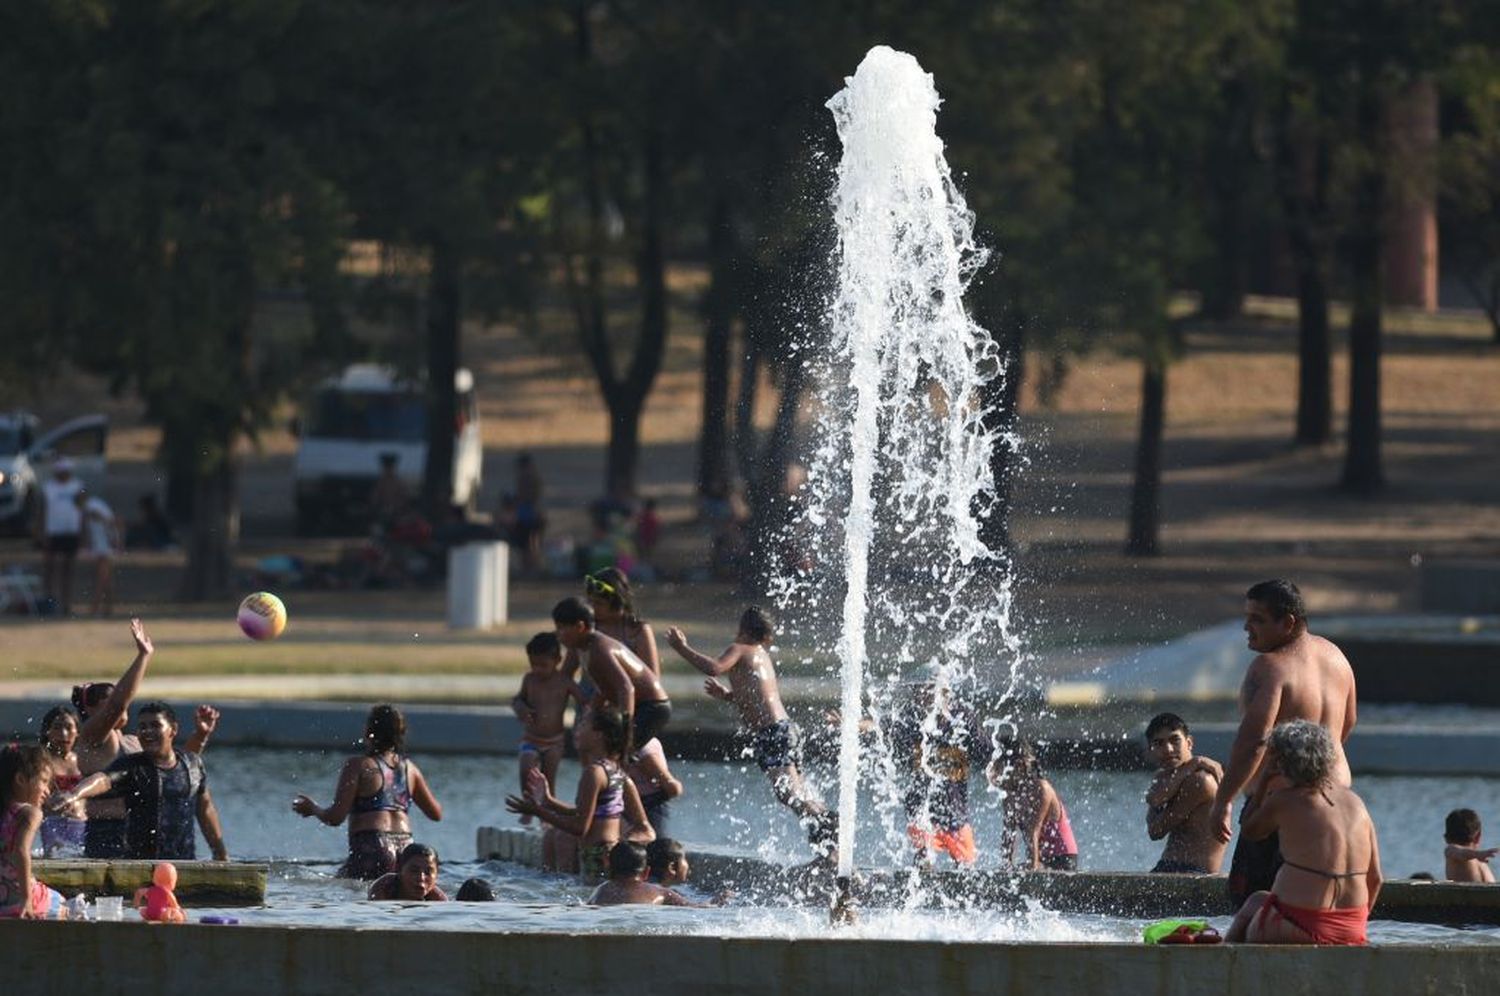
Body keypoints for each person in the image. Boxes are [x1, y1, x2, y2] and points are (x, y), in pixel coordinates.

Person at [1211, 579, 1357, 906]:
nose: (1247, 627)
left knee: (1252, 907)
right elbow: (1347, 724)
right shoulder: (1337, 657)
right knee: (1315, 909)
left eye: (1257, 619)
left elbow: (1253, 743)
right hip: (1338, 801)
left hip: (1280, 808)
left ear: (1288, 622)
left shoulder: (1270, 668)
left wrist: (1223, 801)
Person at [665, 608, 837, 857]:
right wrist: (726, 696)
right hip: (785, 730)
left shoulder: (740, 648)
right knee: (796, 794)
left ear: (742, 630)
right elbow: (758, 697)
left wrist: (682, 648)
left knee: (789, 794)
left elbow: (714, 667)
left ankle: (832, 824)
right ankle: (828, 849)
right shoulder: (761, 655)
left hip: (773, 733)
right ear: (766, 637)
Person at [1225, 720, 1381, 946]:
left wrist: (1263, 782)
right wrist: (1352, 922)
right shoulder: (1356, 803)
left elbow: (1250, 830)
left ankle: (1225, 959)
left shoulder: (1284, 800)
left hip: (1298, 926)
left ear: (1282, 762)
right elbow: (1375, 879)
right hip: (1353, 927)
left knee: (1250, 910)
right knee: (1258, 899)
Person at [72, 619, 218, 858]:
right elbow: (119, 703)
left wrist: (200, 736)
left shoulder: (134, 741)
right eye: (108, 703)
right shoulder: (91, 738)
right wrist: (143, 657)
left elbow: (181, 767)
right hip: (106, 836)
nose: (121, 706)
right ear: (89, 711)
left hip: (139, 833)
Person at [53, 702, 228, 861]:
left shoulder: (192, 763)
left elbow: (205, 808)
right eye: (142, 726)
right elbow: (103, 779)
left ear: (172, 730)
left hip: (184, 863)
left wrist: (220, 853)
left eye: (155, 725)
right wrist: (74, 794)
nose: (147, 731)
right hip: (141, 865)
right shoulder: (132, 766)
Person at [292, 704, 443, 880]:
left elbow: (335, 818)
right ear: (401, 734)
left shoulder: (359, 765)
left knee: (351, 891)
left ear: (368, 732)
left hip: (373, 846)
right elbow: (436, 814)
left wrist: (314, 809)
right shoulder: (411, 769)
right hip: (406, 850)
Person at [505, 706, 654, 882]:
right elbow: (588, 813)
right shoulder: (616, 771)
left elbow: (580, 827)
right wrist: (548, 801)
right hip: (608, 854)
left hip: (596, 856)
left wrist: (538, 811)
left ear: (599, 734)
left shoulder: (594, 772)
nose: (577, 730)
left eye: (583, 725)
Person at [554, 597, 672, 757]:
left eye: (561, 628)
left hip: (652, 707)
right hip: (639, 706)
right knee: (607, 753)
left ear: (580, 627)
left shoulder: (599, 648)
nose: (558, 635)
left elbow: (626, 688)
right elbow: (602, 689)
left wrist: (624, 732)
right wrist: (589, 716)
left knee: (615, 755)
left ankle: (662, 781)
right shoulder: (582, 648)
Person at [890, 681, 985, 868]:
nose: (921, 695)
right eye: (917, 691)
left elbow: (986, 749)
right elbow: (884, 726)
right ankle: (919, 890)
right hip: (921, 808)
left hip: (955, 808)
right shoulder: (912, 718)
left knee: (966, 867)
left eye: (926, 690)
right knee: (922, 862)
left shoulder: (961, 717)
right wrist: (852, 723)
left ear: (942, 692)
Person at [511, 632, 582, 824]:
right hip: (531, 738)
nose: (538, 669)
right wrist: (521, 708)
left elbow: (584, 700)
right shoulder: (530, 679)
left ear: (557, 660)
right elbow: (518, 699)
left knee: (548, 780)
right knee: (526, 768)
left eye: (543, 665)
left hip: (554, 742)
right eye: (534, 664)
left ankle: (547, 816)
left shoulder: (564, 682)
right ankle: (528, 804)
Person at [1143, 713, 1226, 874]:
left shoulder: (1201, 781)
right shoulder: (1166, 778)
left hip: (1195, 873)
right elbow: (1154, 800)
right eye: (1159, 743)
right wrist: (1191, 765)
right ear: (1151, 750)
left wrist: (1193, 765)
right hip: (1170, 869)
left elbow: (1157, 831)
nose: (1168, 750)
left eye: (1175, 740)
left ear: (1189, 743)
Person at [1, 745, 69, 919]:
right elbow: (21, 851)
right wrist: (26, 899)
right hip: (21, 900)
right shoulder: (30, 813)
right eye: (44, 781)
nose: (48, 791)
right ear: (21, 779)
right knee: (64, 904)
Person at [992, 741, 1078, 872]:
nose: (998, 775)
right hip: (1040, 859)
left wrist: (1033, 869)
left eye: (1002, 769)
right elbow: (1009, 833)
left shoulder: (1042, 788)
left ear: (1019, 766)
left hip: (1063, 859)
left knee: (1026, 871)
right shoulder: (1010, 794)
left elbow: (1034, 830)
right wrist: (1006, 867)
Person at [585, 568, 661, 677]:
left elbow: (653, 678)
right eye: (589, 601)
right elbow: (566, 673)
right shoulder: (585, 628)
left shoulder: (637, 630)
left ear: (618, 602)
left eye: (598, 603)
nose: (592, 607)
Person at [35, 457, 83, 616]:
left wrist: (83, 533)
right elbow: (42, 511)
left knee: (68, 571)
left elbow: (82, 509)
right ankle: (49, 604)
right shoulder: (48, 488)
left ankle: (66, 605)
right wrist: (41, 532)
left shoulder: (77, 487)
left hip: (71, 532)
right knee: (50, 570)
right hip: (53, 533)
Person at [588, 841, 701, 907]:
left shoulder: (599, 891)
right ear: (646, 872)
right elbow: (694, 908)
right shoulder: (660, 892)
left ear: (608, 867)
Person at [38, 706, 86, 858]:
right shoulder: (41, 761)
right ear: (48, 732)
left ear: (77, 731)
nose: (63, 734)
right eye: (57, 728)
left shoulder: (84, 760)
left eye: (69, 727)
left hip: (81, 824)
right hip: (50, 824)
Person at [75, 487, 121, 617]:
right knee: (106, 580)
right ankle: (108, 609)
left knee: (101, 579)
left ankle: (94, 608)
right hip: (102, 546)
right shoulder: (94, 505)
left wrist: (113, 540)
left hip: (104, 547)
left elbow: (110, 522)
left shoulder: (91, 507)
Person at [626, 737, 682, 839]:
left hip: (649, 805)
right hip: (645, 803)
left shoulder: (645, 747)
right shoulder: (645, 744)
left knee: (652, 848)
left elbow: (672, 787)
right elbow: (673, 788)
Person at [368, 842, 448, 901]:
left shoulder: (438, 899)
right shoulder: (384, 887)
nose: (421, 877)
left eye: (428, 872)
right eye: (414, 871)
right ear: (399, 870)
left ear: (437, 874)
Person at [1443, 809, 1497, 883]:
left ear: (1446, 839)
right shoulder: (1452, 852)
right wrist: (1478, 854)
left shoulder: (1451, 854)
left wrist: (1478, 854)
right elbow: (1458, 851)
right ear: (1478, 836)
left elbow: (1457, 851)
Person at [514, 453, 545, 573]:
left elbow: (526, 496)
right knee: (532, 540)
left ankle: (530, 564)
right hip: (532, 512)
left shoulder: (525, 477)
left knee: (528, 541)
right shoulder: (535, 476)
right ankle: (532, 564)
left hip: (528, 513)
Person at [368, 453, 411, 528]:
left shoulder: (399, 482)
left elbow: (404, 498)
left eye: (390, 467)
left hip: (397, 513)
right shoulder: (381, 482)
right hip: (382, 512)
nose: (388, 469)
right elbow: (374, 498)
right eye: (386, 467)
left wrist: (395, 508)